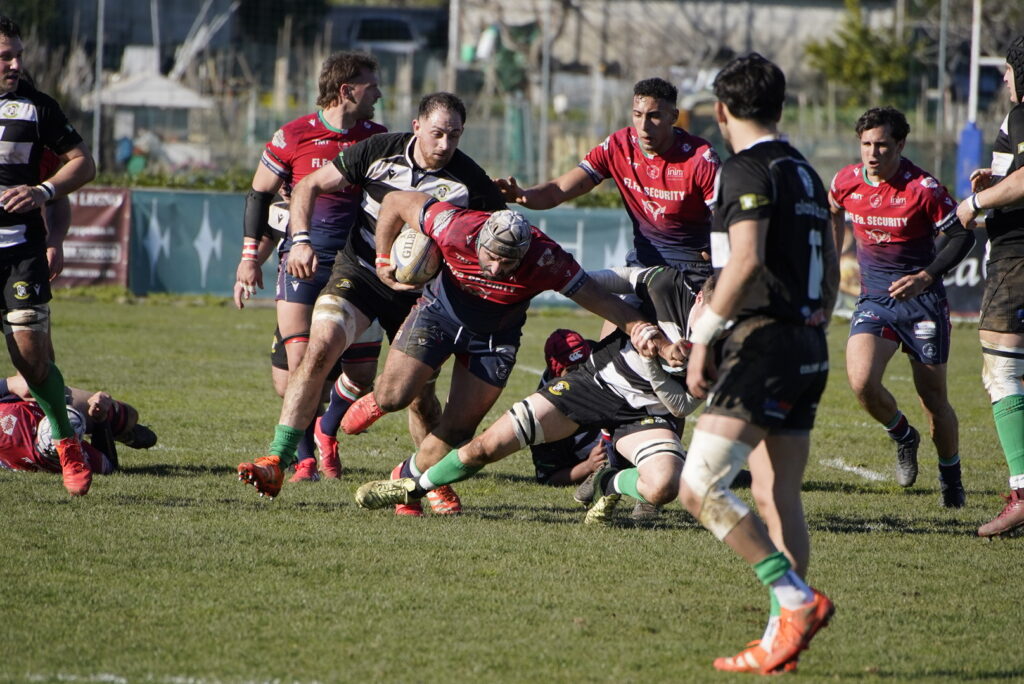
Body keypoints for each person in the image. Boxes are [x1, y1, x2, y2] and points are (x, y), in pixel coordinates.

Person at [237, 93, 506, 512]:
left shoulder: (469, 181)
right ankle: (278, 457)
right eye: (437, 133)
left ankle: (424, 480)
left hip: (422, 297)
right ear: (416, 126)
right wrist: (302, 240)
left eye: (454, 135)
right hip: (360, 273)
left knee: (419, 397)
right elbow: (308, 185)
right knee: (320, 347)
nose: (444, 144)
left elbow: (496, 238)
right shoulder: (378, 151)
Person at [345, 192, 664, 514]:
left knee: (459, 430)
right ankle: (399, 386)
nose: (496, 268)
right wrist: (383, 258)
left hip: (495, 338)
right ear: (480, 241)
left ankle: (407, 479)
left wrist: (644, 330)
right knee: (392, 398)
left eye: (507, 262)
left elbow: (602, 300)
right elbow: (396, 201)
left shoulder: (547, 259)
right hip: (438, 315)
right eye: (491, 256)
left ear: (524, 254)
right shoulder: (453, 226)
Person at [677, 53, 837, 675]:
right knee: (776, 493)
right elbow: (826, 257)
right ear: (781, 106)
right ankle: (781, 639)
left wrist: (703, 338)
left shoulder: (745, 167)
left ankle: (796, 602)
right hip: (808, 343)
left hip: (765, 345)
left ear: (720, 111)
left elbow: (743, 264)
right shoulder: (803, 168)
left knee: (700, 488)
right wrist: (815, 313)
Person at [351, 262, 713, 526]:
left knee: (665, 485)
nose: (708, 333)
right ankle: (411, 488)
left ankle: (607, 481)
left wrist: (651, 360)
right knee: (485, 447)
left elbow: (680, 406)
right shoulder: (666, 283)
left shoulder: (731, 349)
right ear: (698, 299)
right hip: (595, 384)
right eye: (708, 320)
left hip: (650, 413)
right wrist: (570, 287)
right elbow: (615, 278)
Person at [232, 52, 387, 483]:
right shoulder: (294, 135)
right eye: (371, 85)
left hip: (358, 269)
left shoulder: (377, 138)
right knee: (299, 371)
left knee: (360, 378)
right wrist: (250, 258)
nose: (378, 93)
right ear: (346, 90)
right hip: (301, 265)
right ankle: (302, 463)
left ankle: (324, 429)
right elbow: (260, 196)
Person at [829, 106, 973, 506]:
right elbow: (833, 210)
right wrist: (835, 255)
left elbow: (963, 236)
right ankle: (902, 435)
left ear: (901, 145)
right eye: (866, 145)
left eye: (882, 146)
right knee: (861, 382)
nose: (873, 154)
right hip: (875, 300)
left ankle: (951, 477)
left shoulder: (922, 189)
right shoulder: (845, 181)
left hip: (923, 303)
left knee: (933, 402)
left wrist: (925, 276)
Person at [495, 77, 719, 290]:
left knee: (687, 331)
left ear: (674, 116)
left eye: (654, 116)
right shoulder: (618, 147)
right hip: (644, 262)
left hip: (692, 267)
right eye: (637, 115)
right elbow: (559, 190)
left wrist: (720, 253)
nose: (644, 126)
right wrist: (522, 196)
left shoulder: (700, 158)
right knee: (613, 327)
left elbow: (728, 218)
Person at [0, 16, 96, 496]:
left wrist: (41, 191)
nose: (16, 63)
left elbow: (84, 162)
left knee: (33, 362)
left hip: (18, 250)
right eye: (6, 56)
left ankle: (67, 442)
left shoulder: (36, 109)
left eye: (18, 54)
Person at [956, 34, 1024, 537]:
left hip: (1018, 259)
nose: (1004, 78)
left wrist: (977, 204)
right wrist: (995, 183)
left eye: (1008, 69)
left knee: (1002, 372)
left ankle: (1023, 491)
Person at [0, 374, 157, 475]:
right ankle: (122, 431)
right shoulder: (75, 456)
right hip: (42, 405)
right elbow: (109, 465)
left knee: (28, 371)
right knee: (126, 416)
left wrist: (10, 385)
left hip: (18, 400)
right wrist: (101, 419)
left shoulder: (6, 425)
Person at [528, 329, 608, 487]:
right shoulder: (543, 416)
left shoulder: (600, 357)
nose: (580, 375)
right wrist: (588, 466)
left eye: (583, 365)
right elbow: (549, 478)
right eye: (572, 371)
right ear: (557, 374)